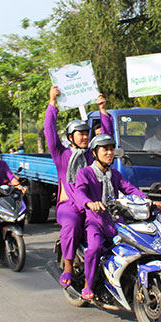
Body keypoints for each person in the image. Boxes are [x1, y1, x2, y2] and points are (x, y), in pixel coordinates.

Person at [73, 134, 161, 300]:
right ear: (94, 153)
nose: (109, 153)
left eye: (111, 149)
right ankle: (88, 284)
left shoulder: (114, 174)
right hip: (95, 222)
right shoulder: (85, 173)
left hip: (115, 221)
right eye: (105, 149)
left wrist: (149, 201)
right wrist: (89, 203)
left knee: (135, 244)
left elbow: (130, 189)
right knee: (94, 249)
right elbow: (79, 192)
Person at [45, 85, 113, 287]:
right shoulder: (61, 154)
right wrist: (52, 103)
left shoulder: (93, 155)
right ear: (70, 138)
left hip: (94, 204)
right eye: (80, 134)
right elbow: (49, 131)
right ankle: (67, 266)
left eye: (86, 133)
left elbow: (107, 141)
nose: (85, 137)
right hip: (70, 206)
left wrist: (102, 110)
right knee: (73, 224)